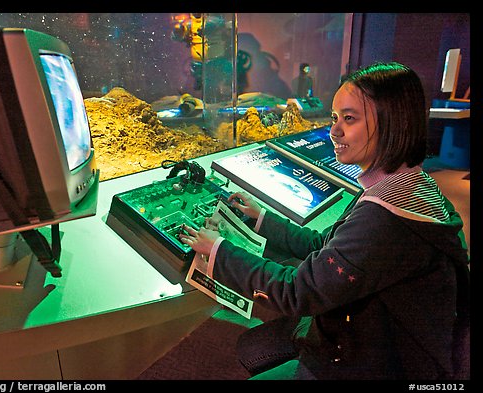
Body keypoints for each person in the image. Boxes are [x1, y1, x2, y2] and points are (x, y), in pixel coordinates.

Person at [179, 62, 470, 380]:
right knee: (257, 346)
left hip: (375, 362)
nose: (334, 131)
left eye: (349, 119)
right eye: (334, 118)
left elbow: (298, 291)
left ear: (392, 123)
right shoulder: (403, 183)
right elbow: (328, 245)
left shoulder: (385, 217)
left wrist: (220, 252)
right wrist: (262, 218)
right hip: (373, 336)